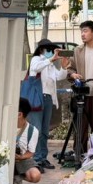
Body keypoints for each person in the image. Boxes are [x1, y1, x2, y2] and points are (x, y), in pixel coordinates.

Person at [27, 38, 70, 171]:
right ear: (41, 50)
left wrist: (63, 66)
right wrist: (50, 60)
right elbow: (35, 68)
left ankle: (43, 158)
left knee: (45, 131)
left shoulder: (49, 64)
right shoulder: (37, 60)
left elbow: (59, 77)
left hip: (48, 99)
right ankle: (36, 160)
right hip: (36, 99)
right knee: (37, 130)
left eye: (52, 50)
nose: (50, 52)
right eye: (48, 49)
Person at [67, 20, 93, 154]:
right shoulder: (77, 50)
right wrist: (73, 74)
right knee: (80, 128)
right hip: (81, 94)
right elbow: (70, 69)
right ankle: (79, 155)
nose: (82, 34)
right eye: (81, 31)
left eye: (85, 31)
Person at [14, 97, 41, 184]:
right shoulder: (5, 125)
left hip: (21, 159)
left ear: (19, 114)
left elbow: (30, 152)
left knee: (35, 176)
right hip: (4, 158)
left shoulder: (33, 131)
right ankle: (13, 178)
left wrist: (21, 157)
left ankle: (17, 178)